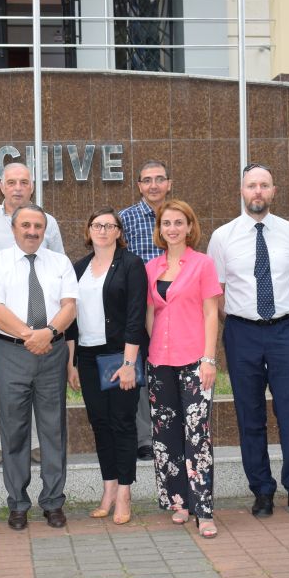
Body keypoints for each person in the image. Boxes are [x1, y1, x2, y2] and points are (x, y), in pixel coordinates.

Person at [207, 164, 289, 519]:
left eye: (264, 185)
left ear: (273, 191)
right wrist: (242, 317)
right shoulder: (222, 237)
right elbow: (217, 291)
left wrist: (278, 314)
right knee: (249, 414)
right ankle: (262, 490)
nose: (258, 191)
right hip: (242, 333)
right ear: (242, 191)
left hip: (285, 331)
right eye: (251, 185)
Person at [0, 203, 77, 530]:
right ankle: (17, 503)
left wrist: (48, 333)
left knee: (53, 430)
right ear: (14, 229)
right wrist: (30, 335)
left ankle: (53, 502)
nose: (32, 232)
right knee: (14, 430)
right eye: (26, 226)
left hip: (52, 352)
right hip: (11, 353)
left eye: (38, 226)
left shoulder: (59, 263)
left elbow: (69, 306)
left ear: (45, 230)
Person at [0, 162, 64, 466]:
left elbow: (60, 266)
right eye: (11, 182)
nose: (17, 188)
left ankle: (36, 441)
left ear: (32, 186)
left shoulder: (48, 221)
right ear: (1, 186)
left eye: (24, 182)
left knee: (40, 381)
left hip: (41, 321)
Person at [145, 200, 221, 539]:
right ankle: (179, 502)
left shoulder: (203, 264)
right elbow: (151, 314)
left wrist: (209, 359)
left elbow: (210, 313)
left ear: (190, 227)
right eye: (167, 223)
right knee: (166, 436)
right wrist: (157, 347)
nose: (172, 228)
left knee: (197, 436)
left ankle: (204, 510)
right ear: (160, 229)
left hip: (194, 361)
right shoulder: (152, 267)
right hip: (159, 363)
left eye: (179, 222)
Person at [66, 208, 147, 525]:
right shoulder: (79, 267)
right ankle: (109, 489)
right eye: (96, 225)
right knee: (100, 424)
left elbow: (136, 316)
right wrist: (72, 363)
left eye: (109, 226)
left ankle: (125, 493)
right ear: (88, 230)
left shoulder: (131, 264)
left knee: (122, 423)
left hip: (118, 355)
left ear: (118, 232)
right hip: (87, 356)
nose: (102, 230)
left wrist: (129, 363)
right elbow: (71, 319)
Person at [119, 159, 173, 462]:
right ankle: (145, 438)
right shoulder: (125, 218)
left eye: (159, 179)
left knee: (171, 370)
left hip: (175, 309)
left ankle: (170, 431)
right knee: (139, 373)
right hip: (139, 308)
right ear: (139, 185)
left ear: (169, 184)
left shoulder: (178, 216)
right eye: (147, 180)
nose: (154, 185)